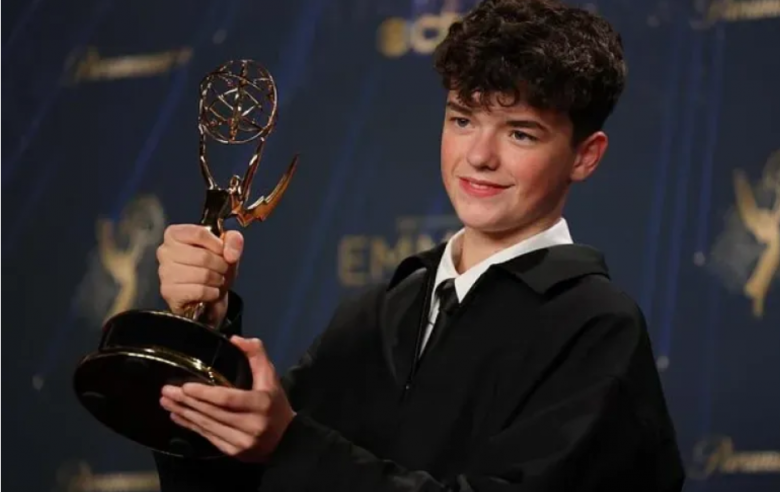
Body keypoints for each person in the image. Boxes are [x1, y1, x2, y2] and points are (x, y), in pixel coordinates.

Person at [153, 0, 686, 490]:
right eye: (462, 119)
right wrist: (202, 331)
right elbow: (233, 481)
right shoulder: (380, 312)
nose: (479, 156)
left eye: (520, 133)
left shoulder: (597, 328)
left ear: (585, 156)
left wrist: (290, 445)